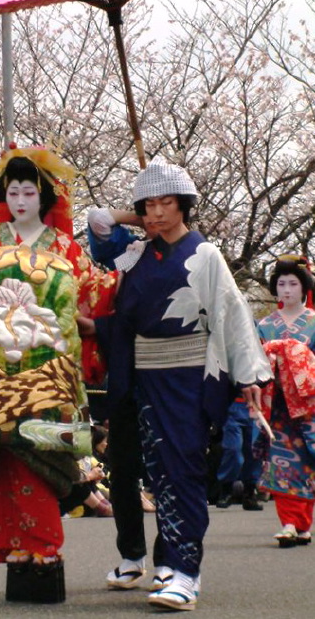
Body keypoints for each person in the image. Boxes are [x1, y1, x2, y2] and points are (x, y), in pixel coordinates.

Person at [85, 158, 272, 611]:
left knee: (181, 469)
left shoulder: (204, 254)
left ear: (185, 206)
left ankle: (185, 572)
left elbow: (232, 313)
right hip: (139, 376)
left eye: (166, 203)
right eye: (148, 205)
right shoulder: (135, 253)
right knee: (148, 470)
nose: (156, 213)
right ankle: (161, 565)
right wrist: (141, 211)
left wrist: (248, 375)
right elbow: (97, 219)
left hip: (187, 376)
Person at [0, 145, 117, 603]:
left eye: (28, 192)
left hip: (45, 368)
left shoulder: (65, 248)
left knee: (35, 458)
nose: (20, 200)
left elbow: (92, 297)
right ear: (5, 195)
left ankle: (43, 547)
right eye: (12, 191)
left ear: (44, 198)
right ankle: (13, 548)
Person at [257, 256, 315, 547]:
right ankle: (290, 522)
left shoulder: (314, 322)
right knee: (282, 462)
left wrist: (298, 358)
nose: (287, 289)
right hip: (277, 403)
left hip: (309, 404)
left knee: (307, 461)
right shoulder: (265, 325)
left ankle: (303, 523)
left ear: (305, 288)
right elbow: (254, 362)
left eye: (293, 283)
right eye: (281, 283)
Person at [215, 395, 264, 511]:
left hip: (257, 404)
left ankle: (250, 493)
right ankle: (226, 489)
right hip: (233, 403)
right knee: (233, 449)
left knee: (254, 451)